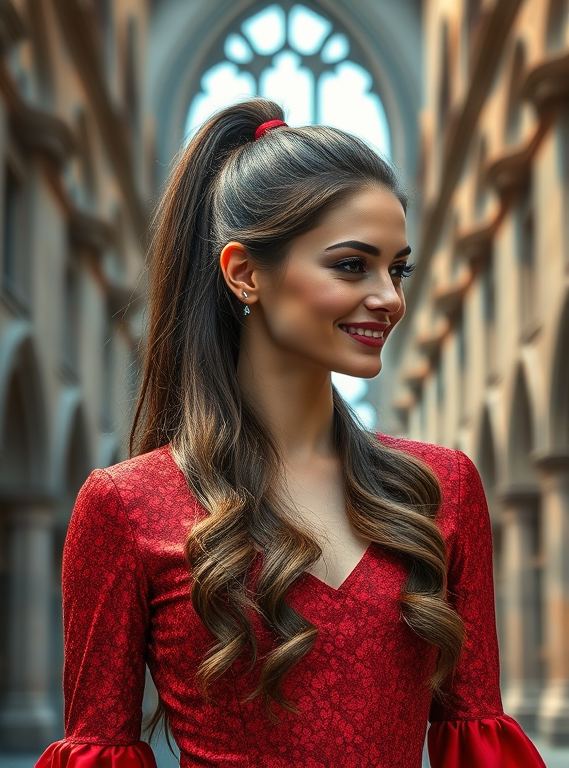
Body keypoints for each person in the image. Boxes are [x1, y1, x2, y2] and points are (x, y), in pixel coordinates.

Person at [35, 99, 546, 768]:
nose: (389, 298)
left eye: (398, 269)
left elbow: (475, 738)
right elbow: (100, 747)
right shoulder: (124, 506)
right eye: (351, 265)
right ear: (246, 274)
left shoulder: (442, 487)